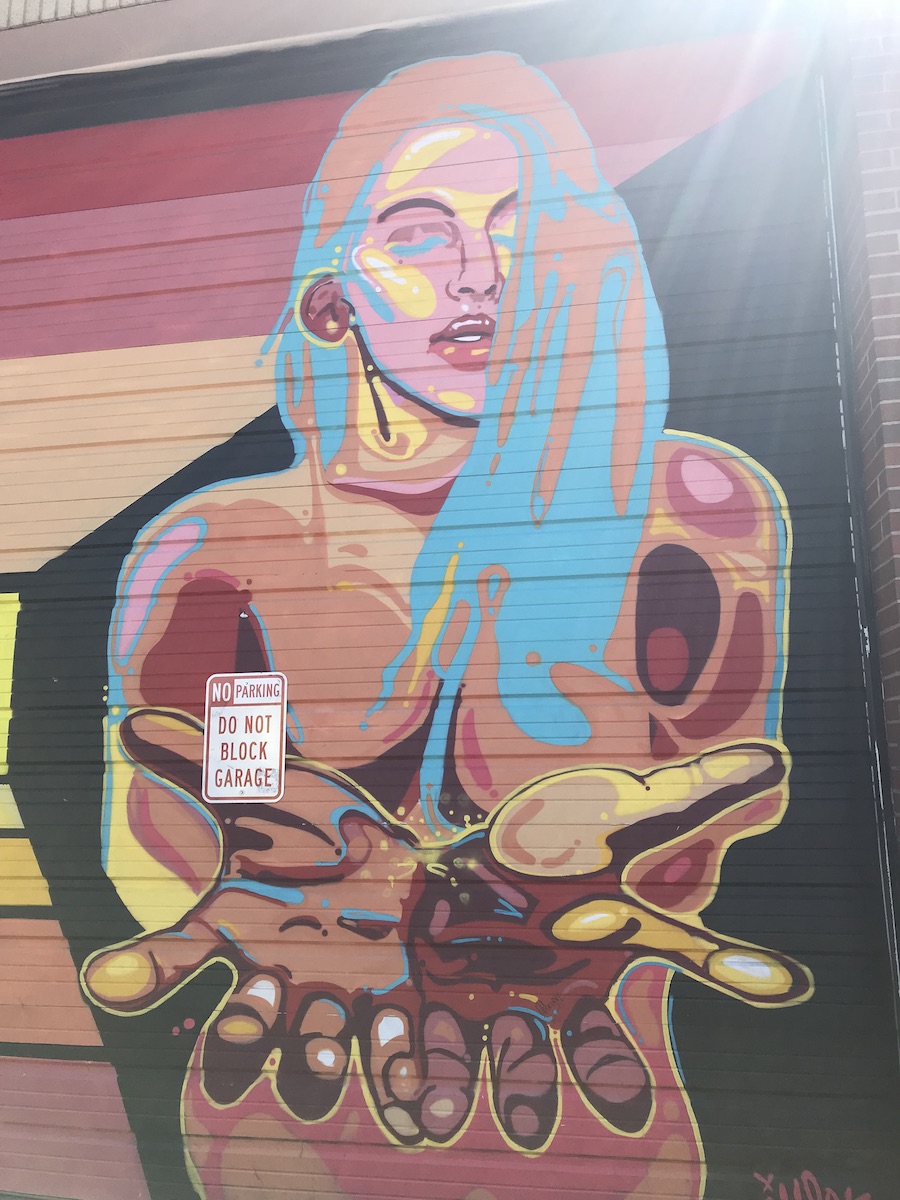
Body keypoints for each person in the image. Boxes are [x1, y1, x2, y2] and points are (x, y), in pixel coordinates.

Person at [82, 52, 811, 1200]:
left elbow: (716, 810)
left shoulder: (687, 521)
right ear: (332, 296)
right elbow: (209, 803)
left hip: (593, 1125)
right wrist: (286, 871)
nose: (482, 271)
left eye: (523, 223)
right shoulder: (236, 558)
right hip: (297, 1121)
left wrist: (601, 877)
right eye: (419, 233)